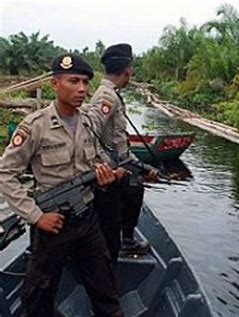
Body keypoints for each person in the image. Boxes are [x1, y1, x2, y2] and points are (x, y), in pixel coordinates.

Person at [0, 53, 124, 317]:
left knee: (106, 291)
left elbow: (99, 160)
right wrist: (36, 216)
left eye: (86, 83)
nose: (81, 89)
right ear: (55, 84)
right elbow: (5, 173)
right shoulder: (35, 127)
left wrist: (107, 177)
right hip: (52, 226)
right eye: (73, 81)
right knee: (39, 297)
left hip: (87, 219)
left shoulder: (89, 122)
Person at [89, 43, 157, 262]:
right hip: (111, 165)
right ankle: (125, 240)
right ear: (126, 69)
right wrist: (107, 166)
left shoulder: (112, 94)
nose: (132, 73)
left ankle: (124, 237)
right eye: (131, 68)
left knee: (137, 181)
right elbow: (89, 135)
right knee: (133, 187)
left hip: (120, 159)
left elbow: (118, 140)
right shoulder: (106, 97)